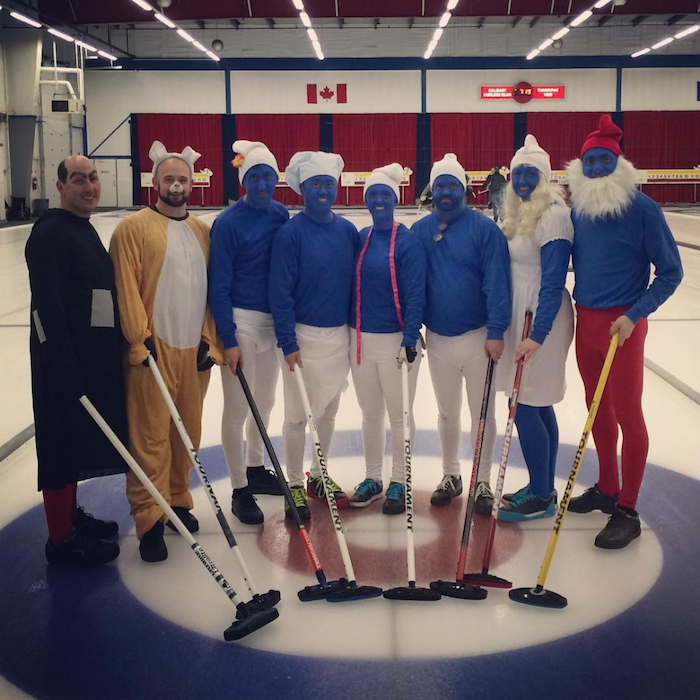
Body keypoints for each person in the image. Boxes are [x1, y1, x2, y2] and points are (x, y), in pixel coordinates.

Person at [567, 114, 683, 549]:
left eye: (604, 160)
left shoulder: (643, 210)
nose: (596, 168)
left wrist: (634, 315)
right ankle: (607, 486)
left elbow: (671, 273)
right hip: (586, 320)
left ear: (619, 164)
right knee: (596, 409)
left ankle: (628, 508)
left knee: (628, 413)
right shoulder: (578, 210)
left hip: (623, 326)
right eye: (589, 161)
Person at [109, 141, 220, 562]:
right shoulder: (132, 229)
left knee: (186, 436)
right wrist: (140, 339)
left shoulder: (202, 231)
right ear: (154, 183)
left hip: (193, 352)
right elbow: (126, 288)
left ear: (193, 184)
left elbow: (211, 292)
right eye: (168, 179)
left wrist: (209, 340)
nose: (176, 185)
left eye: (183, 179)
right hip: (152, 354)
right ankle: (149, 519)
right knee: (150, 438)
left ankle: (176, 502)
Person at [26, 155, 127, 566]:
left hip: (88, 359)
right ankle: (60, 540)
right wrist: (64, 368)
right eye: (79, 180)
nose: (89, 187)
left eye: (93, 179)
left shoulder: (79, 228)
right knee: (59, 446)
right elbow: (46, 309)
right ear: (60, 186)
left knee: (73, 444)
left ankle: (70, 517)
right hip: (63, 365)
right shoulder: (50, 233)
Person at [412, 153, 511, 514]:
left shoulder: (485, 231)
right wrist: (413, 328)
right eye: (440, 186)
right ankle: (451, 475)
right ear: (432, 190)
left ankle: (481, 480)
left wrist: (497, 330)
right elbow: (412, 285)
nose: (446, 192)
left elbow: (497, 284)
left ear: (464, 189)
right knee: (447, 413)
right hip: (438, 340)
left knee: (482, 413)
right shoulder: (420, 231)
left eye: (453, 185)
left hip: (479, 338)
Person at [269, 151, 358, 522]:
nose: (323, 190)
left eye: (328, 183)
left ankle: (318, 476)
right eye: (315, 184)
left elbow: (356, 287)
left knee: (329, 411)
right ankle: (292, 482)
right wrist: (288, 342)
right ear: (302, 189)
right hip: (301, 340)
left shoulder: (348, 231)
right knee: (295, 417)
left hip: (338, 337)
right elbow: (280, 292)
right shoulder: (290, 234)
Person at [494, 136, 574, 521]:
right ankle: (542, 484)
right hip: (519, 314)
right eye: (518, 172)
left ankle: (541, 496)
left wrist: (537, 336)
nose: (523, 179)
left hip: (541, 317)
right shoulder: (520, 210)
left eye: (531, 173)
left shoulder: (553, 215)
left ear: (544, 177)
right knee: (536, 403)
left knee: (524, 405)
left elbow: (553, 281)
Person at [209, 140, 288, 525]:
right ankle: (240, 489)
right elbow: (218, 286)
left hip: (272, 323)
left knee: (267, 400)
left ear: (277, 179)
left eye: (267, 176)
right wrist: (228, 338)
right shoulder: (226, 224)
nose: (261, 183)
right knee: (239, 407)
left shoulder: (280, 214)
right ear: (244, 180)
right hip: (240, 323)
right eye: (254, 176)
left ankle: (256, 468)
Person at [348, 163, 426, 515]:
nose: (378, 200)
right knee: (369, 414)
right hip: (360, 340)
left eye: (385, 195)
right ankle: (373, 477)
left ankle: (399, 480)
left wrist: (410, 337)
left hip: (396, 341)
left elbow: (416, 293)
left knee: (399, 416)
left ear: (395, 199)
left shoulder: (407, 241)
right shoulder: (360, 237)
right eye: (372, 195)